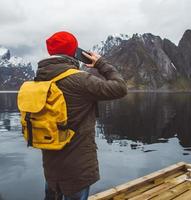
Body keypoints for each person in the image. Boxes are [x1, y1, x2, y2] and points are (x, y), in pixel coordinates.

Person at [36, 31, 127, 200]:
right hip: (77, 167)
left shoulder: (39, 79)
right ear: (74, 52)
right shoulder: (81, 80)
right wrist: (101, 64)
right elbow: (120, 88)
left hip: (51, 164)